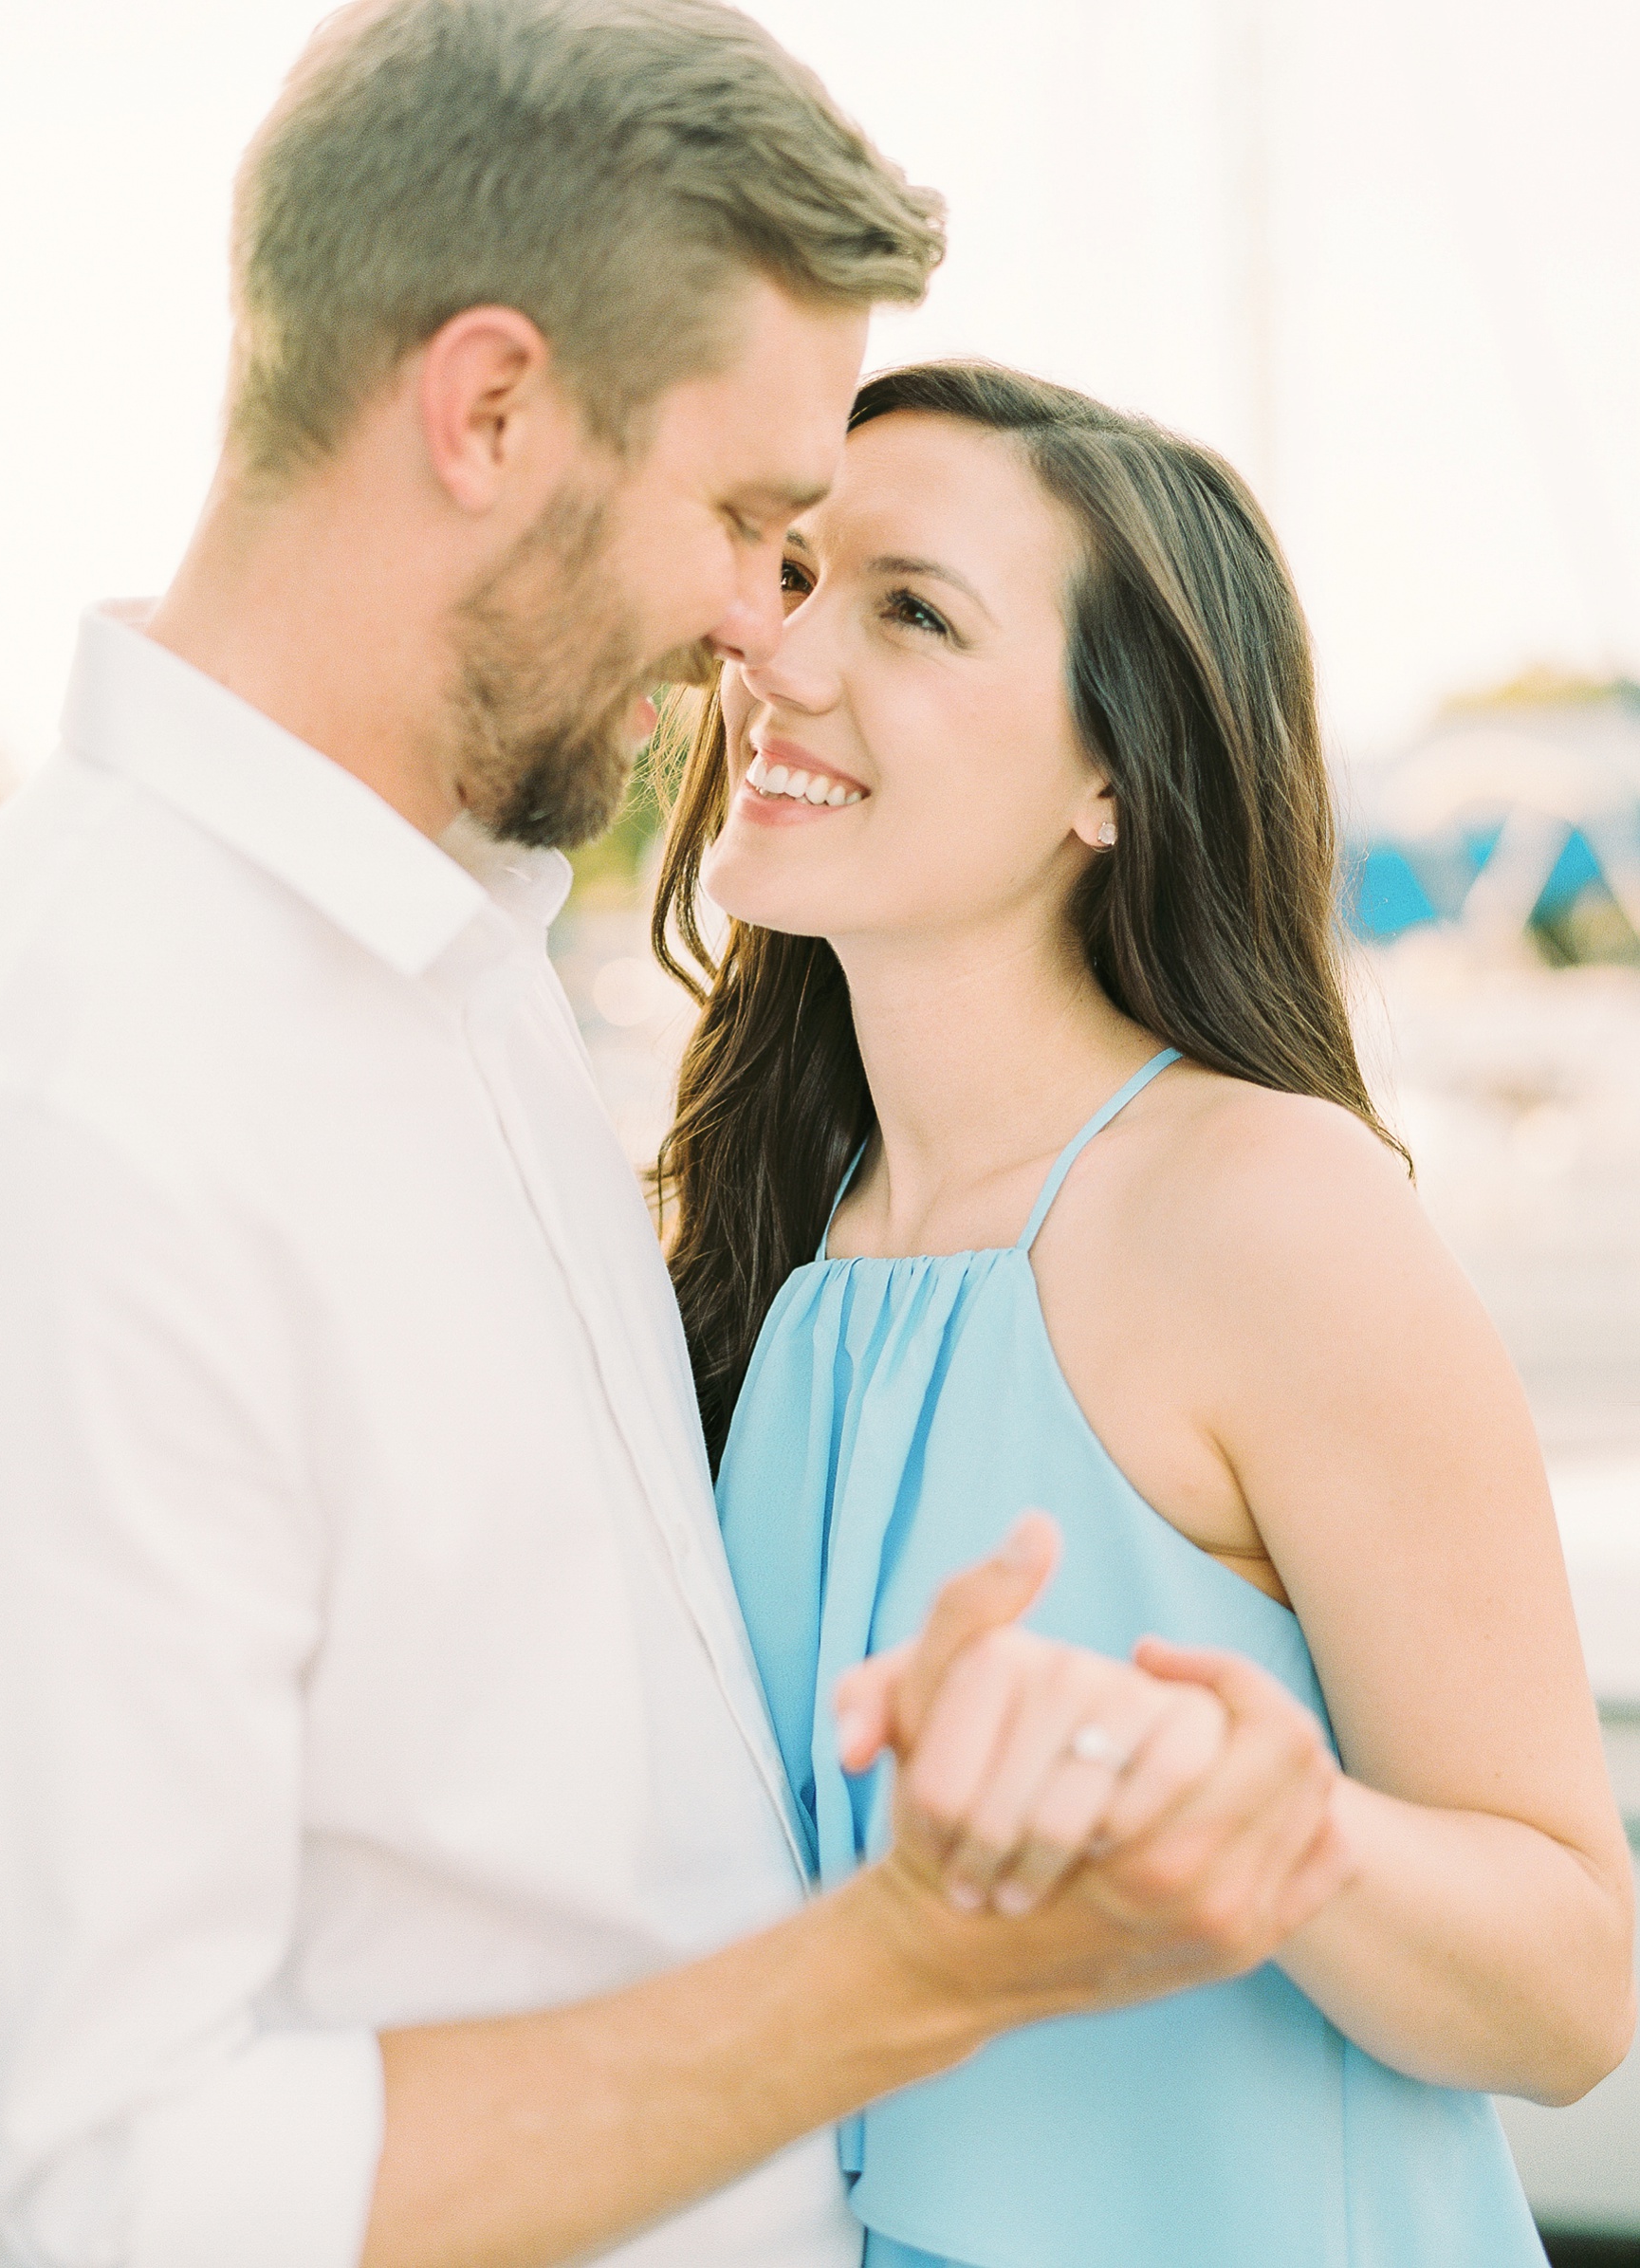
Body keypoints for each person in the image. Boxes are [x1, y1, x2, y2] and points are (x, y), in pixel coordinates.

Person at [0, 10, 1354, 2268]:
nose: (754, 629)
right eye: (748, 521)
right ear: (488, 408)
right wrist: (914, 1972)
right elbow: (97, 2193)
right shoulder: (70, 1100)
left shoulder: (455, 957)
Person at [653, 360, 1638, 2268]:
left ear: (1112, 772)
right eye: (789, 577)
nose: (780, 657)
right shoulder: (776, 1238)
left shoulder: (1262, 1207)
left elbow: (1577, 1984)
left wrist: (1276, 1831)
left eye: (912, 609)